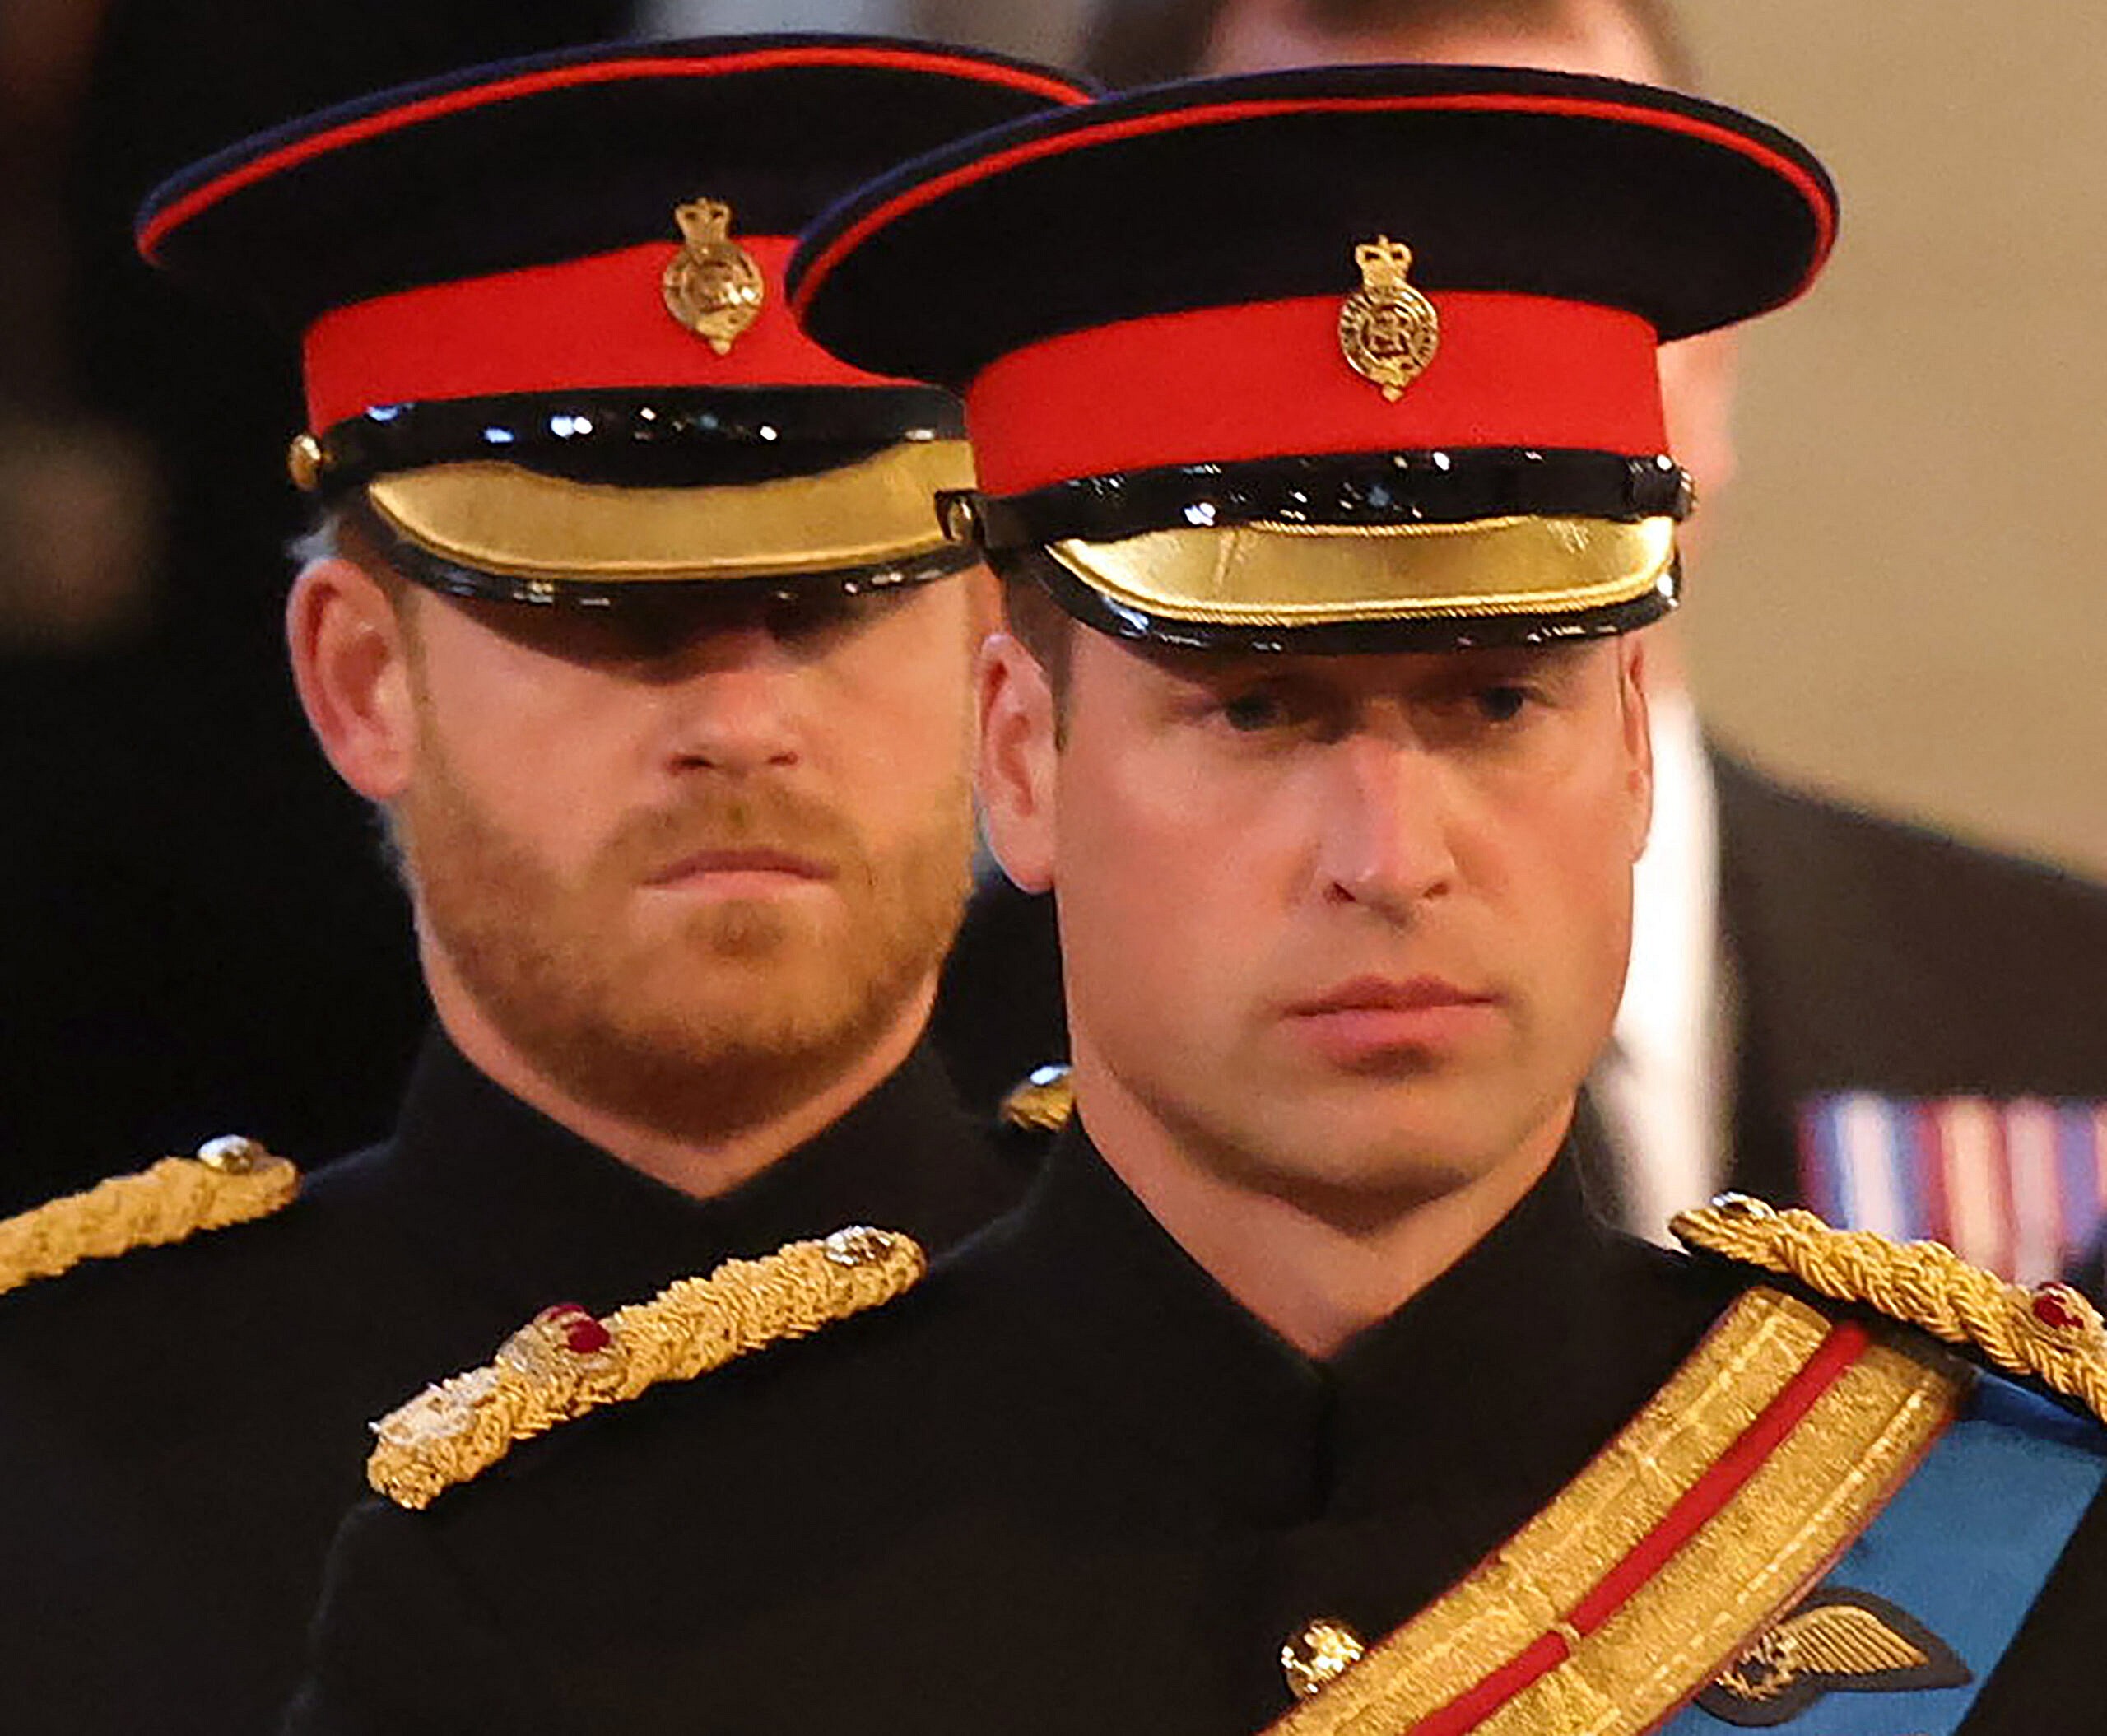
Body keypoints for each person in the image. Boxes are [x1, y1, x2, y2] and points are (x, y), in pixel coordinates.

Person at [288, 66, 2106, 1734]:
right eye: (1256, 709)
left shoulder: (2018, 1539)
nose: (1389, 854)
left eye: (1496, 703)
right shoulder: (574, 1600)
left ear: (1633, 745)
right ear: (1018, 755)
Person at [0, 37, 1090, 1736]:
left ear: (996, 662)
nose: (739, 721)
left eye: (832, 601)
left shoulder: (1244, 1370)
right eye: (612, 613)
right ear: (362, 677)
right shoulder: (51, 1465)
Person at [941, 0, 2107, 1278]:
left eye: (1564, 251)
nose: (1392, 860)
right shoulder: (916, 1106)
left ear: (1712, 362)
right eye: (1259, 704)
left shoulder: (2064, 1009)